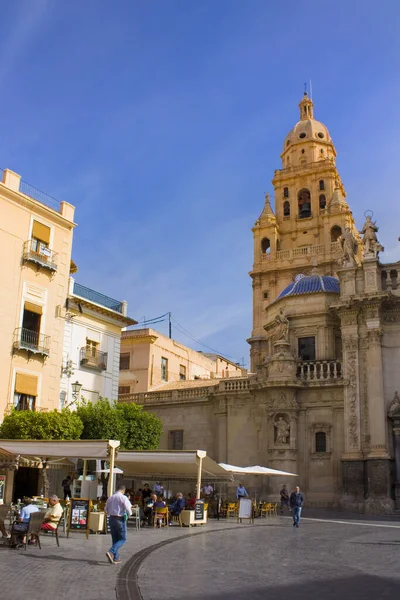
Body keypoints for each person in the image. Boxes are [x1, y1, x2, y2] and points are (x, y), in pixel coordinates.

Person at [105, 485, 132, 564]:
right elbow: (128, 508)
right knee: (123, 539)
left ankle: (116, 558)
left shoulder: (110, 497)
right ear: (123, 491)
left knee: (115, 539)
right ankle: (111, 552)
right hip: (119, 519)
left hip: (111, 518)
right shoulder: (123, 497)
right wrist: (128, 515)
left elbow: (106, 509)